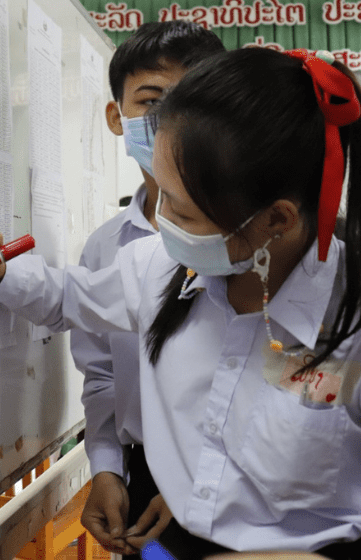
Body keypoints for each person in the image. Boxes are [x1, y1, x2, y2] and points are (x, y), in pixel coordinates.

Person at [0, 47, 361, 560]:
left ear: (276, 220)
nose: (161, 220)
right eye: (161, 194)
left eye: (184, 211)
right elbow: (68, 297)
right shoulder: (161, 267)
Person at [72, 20, 224, 558]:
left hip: (239, 479)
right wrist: (108, 469)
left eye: (189, 99)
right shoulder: (106, 248)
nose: (169, 120)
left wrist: (198, 475)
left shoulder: (246, 234)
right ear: (117, 117)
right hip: (142, 481)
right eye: (151, 100)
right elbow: (102, 375)